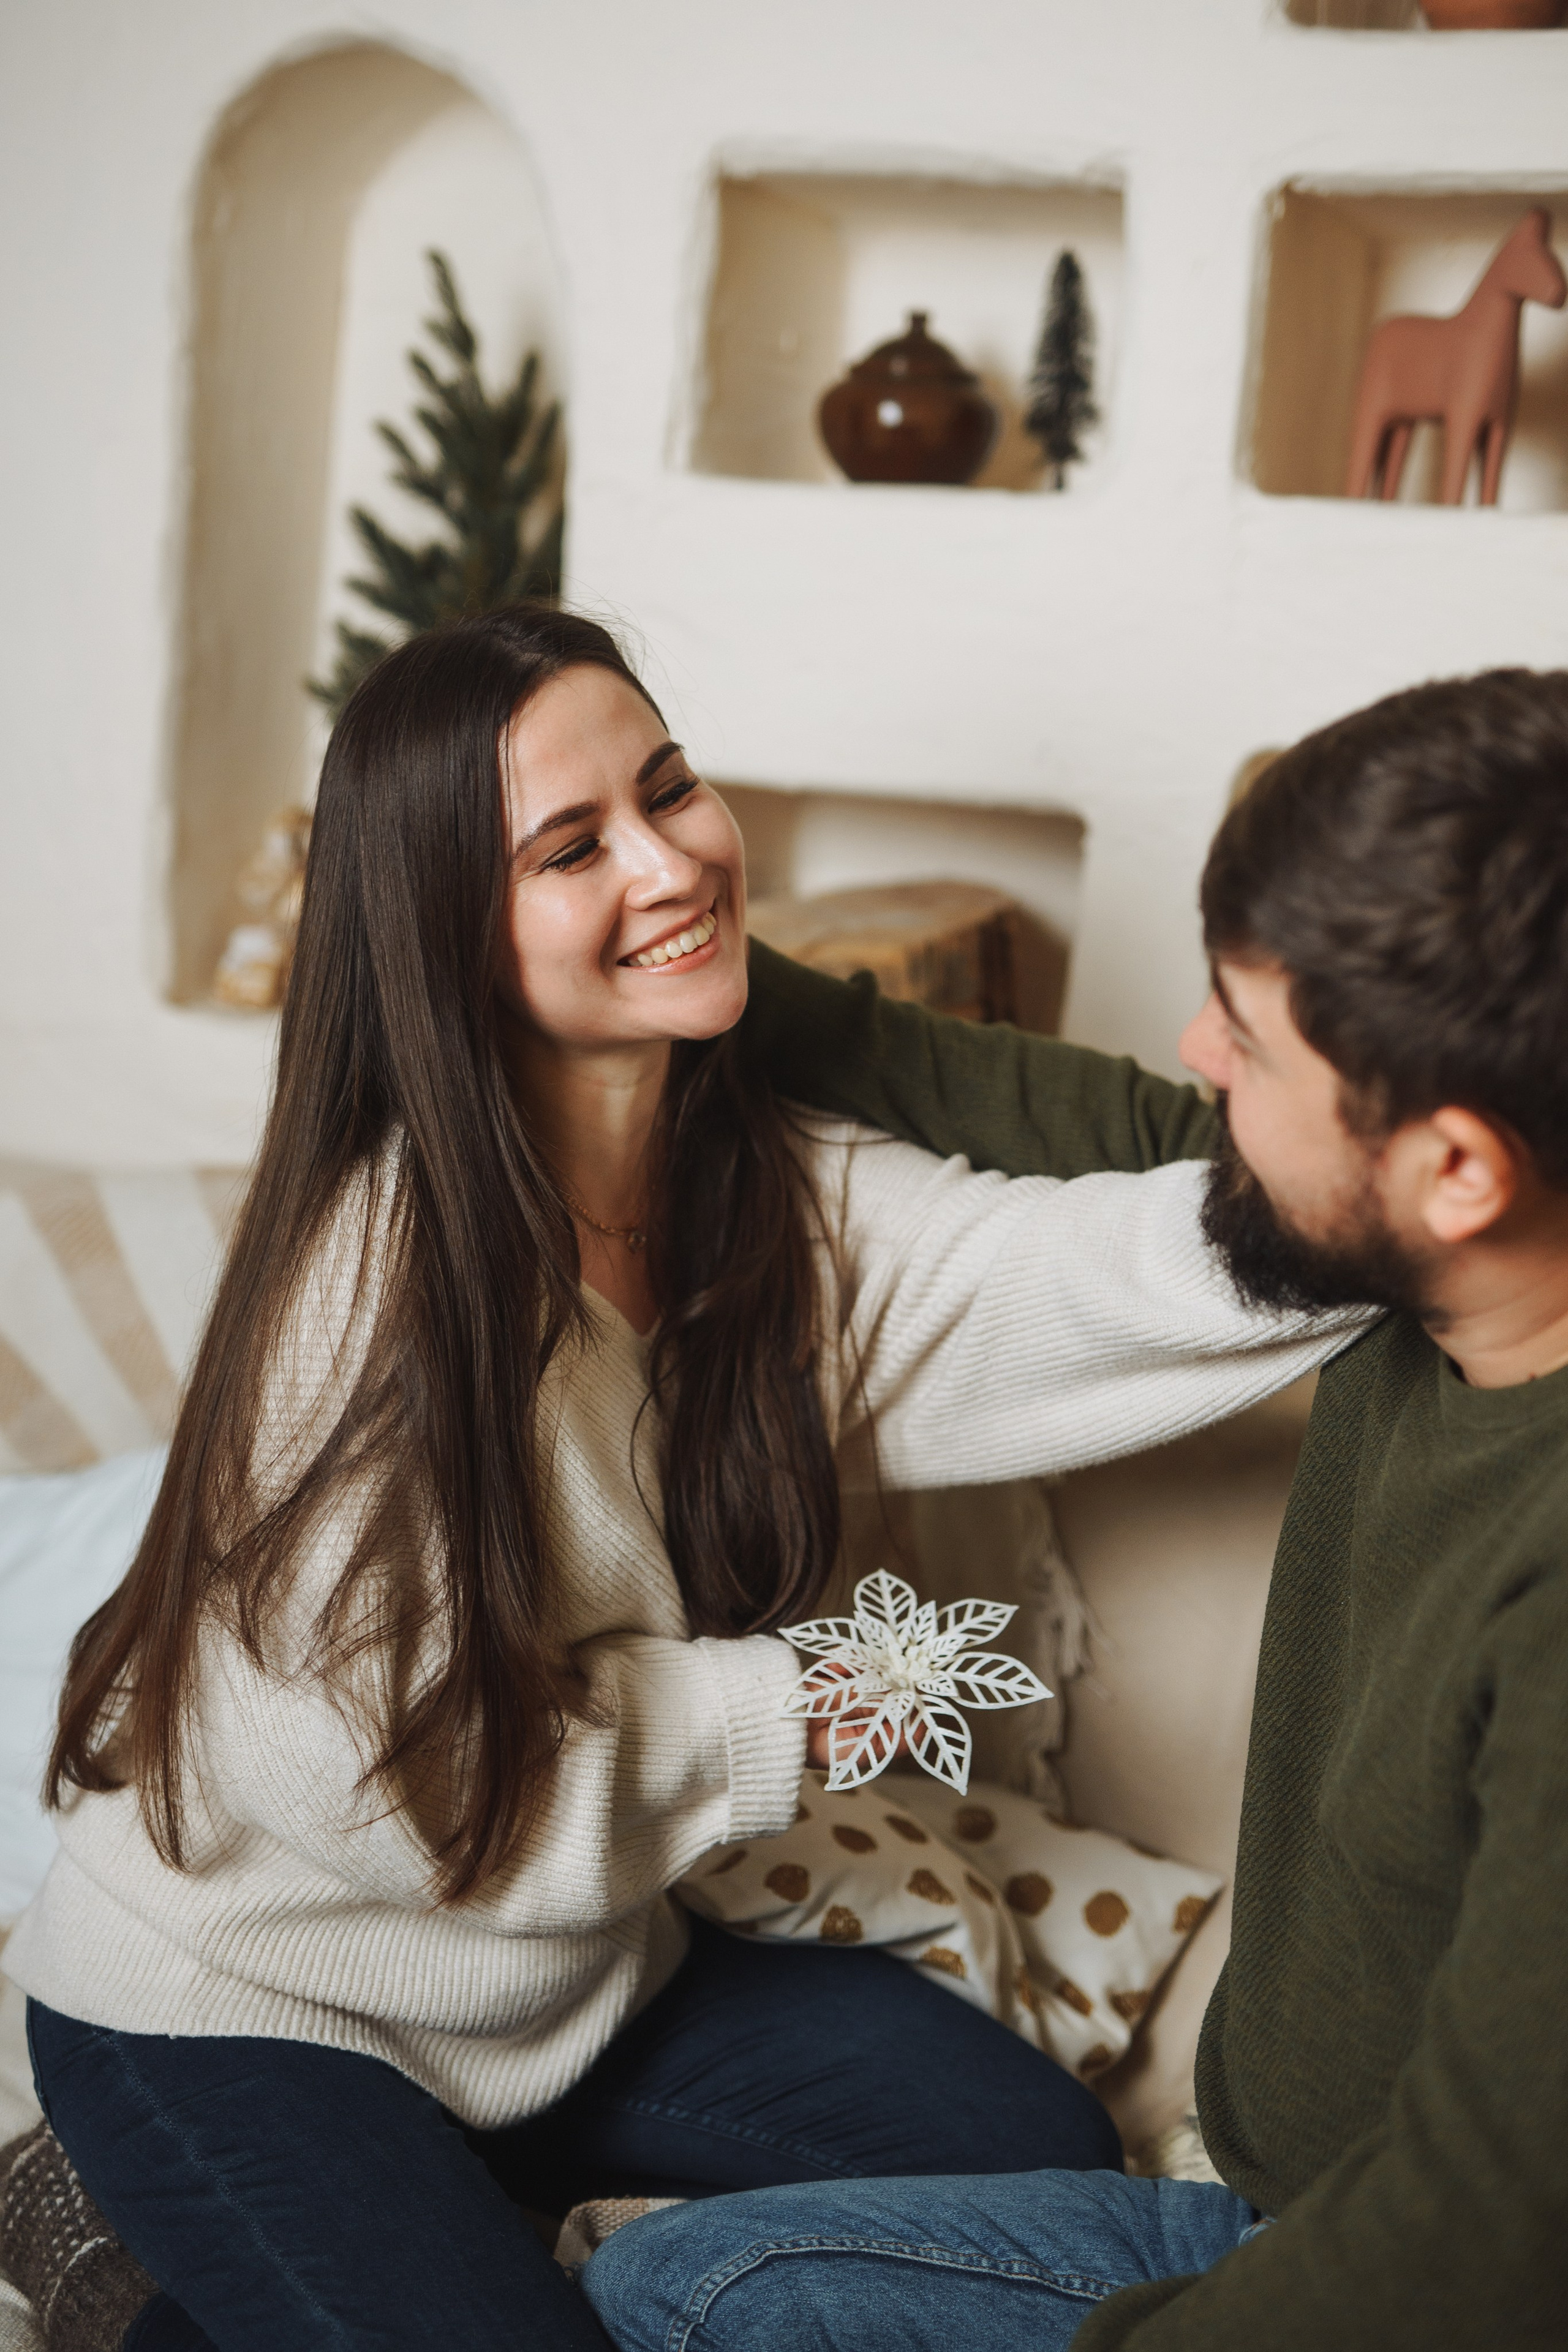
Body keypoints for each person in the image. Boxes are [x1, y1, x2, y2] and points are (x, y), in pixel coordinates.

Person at [0, 607, 1349, 2352]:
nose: (672, 861)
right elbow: (410, 1798)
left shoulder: (755, 1186)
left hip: (556, 1991)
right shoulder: (383, 1303)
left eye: (669, 788)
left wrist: (1389, 1179)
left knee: (1028, 2155)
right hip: (250, 2008)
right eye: (574, 849)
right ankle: (103, 2241)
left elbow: (1079, 1280)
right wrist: (787, 1705)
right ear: (451, 935)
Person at [581, 667, 1568, 2351]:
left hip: (1401, 2289)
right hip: (1268, 2204)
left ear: (1455, 1169)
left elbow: (1479, 2244)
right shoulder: (1421, 1266)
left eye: (1247, 1044)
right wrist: (675, 936)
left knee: (693, 2296)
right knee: (672, 2276)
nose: (1197, 1059)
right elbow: (1046, 1112)